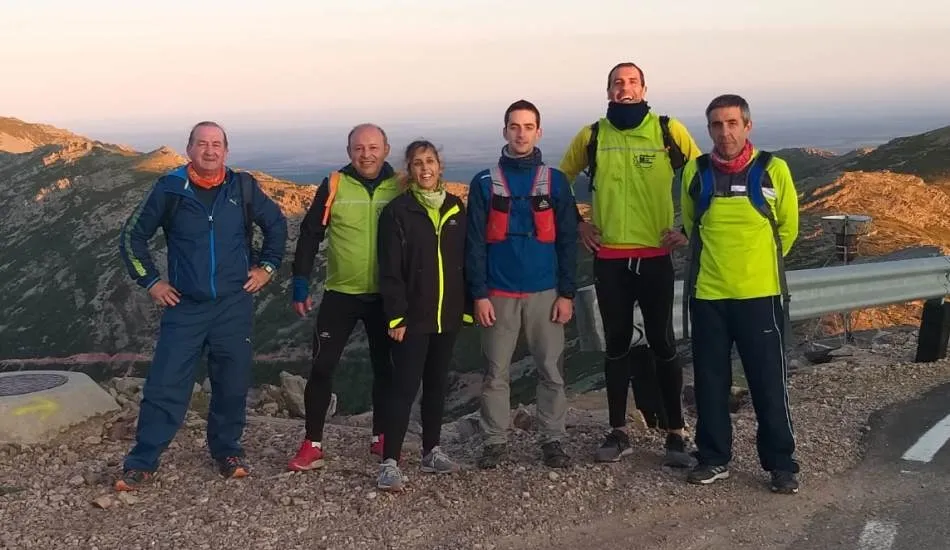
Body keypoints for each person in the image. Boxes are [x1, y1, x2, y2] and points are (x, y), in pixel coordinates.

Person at [115, 121, 288, 490]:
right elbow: (132, 238)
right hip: (186, 306)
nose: (210, 151)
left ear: (226, 150)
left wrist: (268, 267)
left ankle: (227, 451)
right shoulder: (170, 188)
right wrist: (151, 282)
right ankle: (143, 460)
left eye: (217, 144)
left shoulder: (242, 187)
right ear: (189, 149)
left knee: (232, 382)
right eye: (202, 144)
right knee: (166, 382)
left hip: (233, 304)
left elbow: (277, 225)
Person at [558, 62, 702, 466]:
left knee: (663, 344)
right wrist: (579, 223)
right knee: (617, 345)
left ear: (644, 88)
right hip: (611, 259)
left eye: (632, 82)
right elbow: (556, 182)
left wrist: (688, 230)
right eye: (618, 83)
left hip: (655, 255)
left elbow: (702, 178)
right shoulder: (593, 136)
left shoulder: (667, 130)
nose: (625, 88)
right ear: (608, 91)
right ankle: (618, 430)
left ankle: (676, 433)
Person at [680, 94, 800, 494]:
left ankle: (781, 465)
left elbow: (788, 229)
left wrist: (757, 265)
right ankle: (713, 458)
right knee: (710, 384)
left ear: (747, 126)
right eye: (717, 124)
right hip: (709, 296)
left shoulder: (773, 169)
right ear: (709, 129)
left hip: (760, 296)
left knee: (768, 383)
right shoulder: (695, 173)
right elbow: (692, 224)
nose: (725, 132)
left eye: (732, 123)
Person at [466, 99, 578, 470]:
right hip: (498, 293)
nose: (521, 133)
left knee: (551, 369)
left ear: (538, 132)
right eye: (514, 126)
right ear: (504, 132)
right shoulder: (484, 182)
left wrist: (567, 293)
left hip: (545, 292)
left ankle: (553, 439)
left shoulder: (555, 181)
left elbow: (567, 241)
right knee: (495, 372)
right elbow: (475, 245)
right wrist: (478, 295)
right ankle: (495, 441)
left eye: (528, 127)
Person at [287, 123, 403, 471]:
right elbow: (310, 234)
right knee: (322, 366)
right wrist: (301, 282)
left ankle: (381, 436)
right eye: (358, 148)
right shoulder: (335, 184)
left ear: (386, 149)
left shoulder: (400, 186)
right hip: (342, 292)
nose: (365, 155)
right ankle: (312, 443)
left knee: (386, 368)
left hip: (387, 294)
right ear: (349, 151)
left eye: (372, 148)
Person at [374, 139, 469, 491]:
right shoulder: (398, 211)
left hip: (448, 316)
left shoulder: (456, 207)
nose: (425, 168)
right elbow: (390, 269)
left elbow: (465, 262)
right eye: (417, 163)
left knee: (436, 386)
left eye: (430, 161)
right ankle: (390, 462)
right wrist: (395, 316)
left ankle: (432, 451)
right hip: (412, 318)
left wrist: (468, 308)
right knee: (403, 389)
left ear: (440, 166)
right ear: (409, 170)